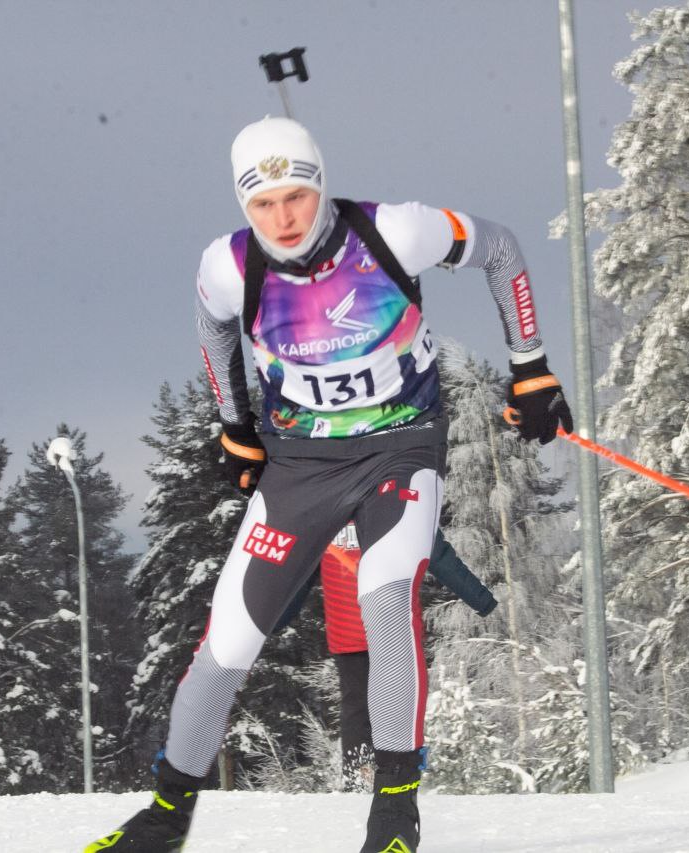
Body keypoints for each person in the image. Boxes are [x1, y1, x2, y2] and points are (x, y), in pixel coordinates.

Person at [87, 116, 570, 853]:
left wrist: (530, 364)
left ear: (319, 183)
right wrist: (234, 423)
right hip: (300, 464)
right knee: (228, 642)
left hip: (400, 448)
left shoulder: (394, 232)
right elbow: (213, 327)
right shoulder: (229, 266)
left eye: (295, 196)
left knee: (384, 599)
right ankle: (164, 818)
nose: (282, 219)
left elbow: (499, 248)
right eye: (262, 204)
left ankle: (394, 812)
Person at [275, 523, 498, 791]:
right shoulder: (402, 504)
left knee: (356, 704)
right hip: (393, 624)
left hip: (347, 627)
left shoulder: (327, 506)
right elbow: (438, 556)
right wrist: (482, 600)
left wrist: (276, 617)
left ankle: (358, 777)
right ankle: (395, 775)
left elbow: (299, 569)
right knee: (398, 703)